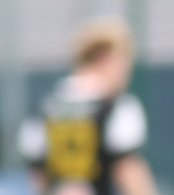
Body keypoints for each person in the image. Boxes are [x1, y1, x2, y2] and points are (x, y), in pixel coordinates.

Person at [18, 19, 157, 195]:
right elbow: (128, 170)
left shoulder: (42, 107)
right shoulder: (118, 107)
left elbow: (38, 176)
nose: (126, 74)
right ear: (105, 58)